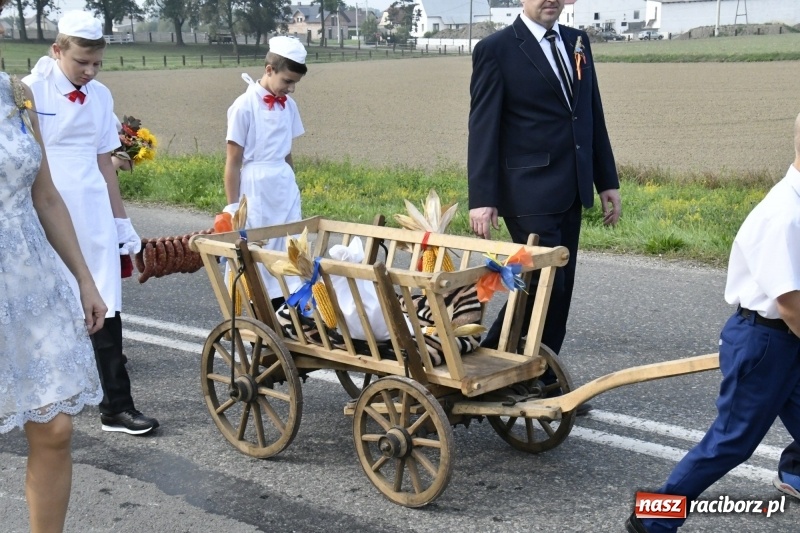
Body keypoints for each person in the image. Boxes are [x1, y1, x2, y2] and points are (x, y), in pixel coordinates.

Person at [625, 113, 800, 533]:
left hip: (785, 338)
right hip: (765, 342)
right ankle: (651, 519)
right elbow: (792, 306)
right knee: (730, 443)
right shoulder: (784, 216)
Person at [467, 0, 621, 414]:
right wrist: (483, 198)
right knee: (544, 285)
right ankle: (497, 365)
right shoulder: (496, 49)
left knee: (560, 287)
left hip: (570, 188)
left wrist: (606, 179)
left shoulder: (577, 42)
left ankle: (537, 373)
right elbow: (483, 126)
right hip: (526, 191)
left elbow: (591, 113)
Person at [22, 11, 159, 435]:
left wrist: (122, 223)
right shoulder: (29, 90)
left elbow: (105, 163)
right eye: (82, 61)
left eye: (97, 63)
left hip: (93, 208)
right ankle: (36, 401)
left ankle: (116, 405)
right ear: (57, 49)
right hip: (45, 205)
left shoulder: (100, 96)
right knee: (42, 306)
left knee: (105, 303)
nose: (90, 71)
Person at [1, 68, 107, 530]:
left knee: (55, 429)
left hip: (30, 280)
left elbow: (44, 197)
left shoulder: (16, 94)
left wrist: (85, 278)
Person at [224, 35, 308, 309]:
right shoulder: (243, 106)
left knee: (290, 246)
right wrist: (233, 207)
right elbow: (233, 161)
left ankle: (290, 313)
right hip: (256, 187)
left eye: (295, 83)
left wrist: (292, 183)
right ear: (269, 69)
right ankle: (258, 315)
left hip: (282, 185)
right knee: (259, 250)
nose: (291, 89)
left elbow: (286, 152)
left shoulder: (289, 106)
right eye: (287, 81)